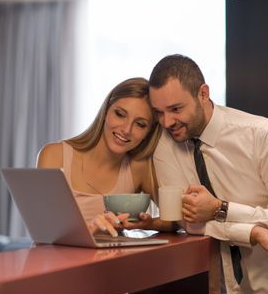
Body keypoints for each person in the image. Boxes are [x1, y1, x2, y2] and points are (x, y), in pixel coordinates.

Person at [147, 54, 268, 294]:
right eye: (159, 113)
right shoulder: (166, 146)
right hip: (211, 293)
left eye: (176, 109)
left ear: (203, 93)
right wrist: (255, 233)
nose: (167, 122)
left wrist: (220, 209)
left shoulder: (264, 136)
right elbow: (186, 221)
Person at [37, 77, 174, 237]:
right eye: (120, 114)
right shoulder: (54, 155)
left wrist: (149, 223)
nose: (126, 129)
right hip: (58, 261)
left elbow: (173, 221)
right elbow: (43, 231)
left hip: (112, 261)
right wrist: (90, 229)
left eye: (140, 124)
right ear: (105, 112)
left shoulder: (138, 168)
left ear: (149, 132)